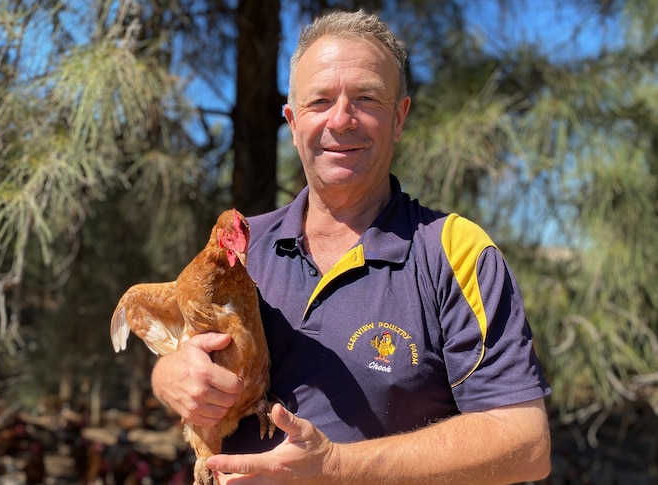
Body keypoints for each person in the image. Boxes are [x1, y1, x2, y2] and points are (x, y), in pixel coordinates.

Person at [152, 9, 551, 484]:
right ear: (293, 120)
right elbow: (179, 352)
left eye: (366, 98)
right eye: (320, 101)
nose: (342, 120)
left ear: (399, 117)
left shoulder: (454, 251)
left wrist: (340, 468)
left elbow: (525, 442)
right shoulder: (242, 247)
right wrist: (169, 380)